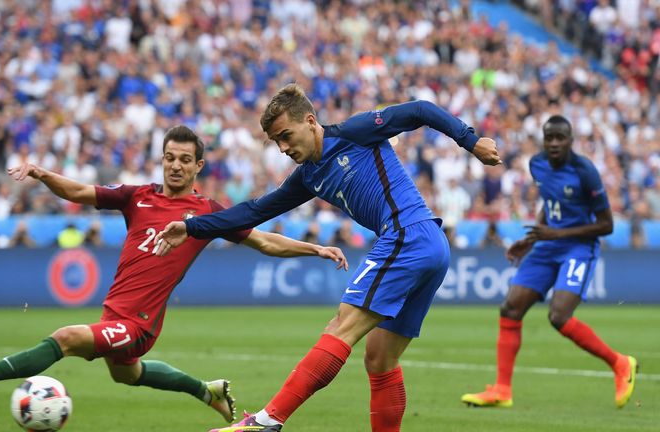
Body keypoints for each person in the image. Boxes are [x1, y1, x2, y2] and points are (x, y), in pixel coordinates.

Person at [0, 125, 348, 426]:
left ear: (198, 165)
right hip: (113, 313)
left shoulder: (207, 212)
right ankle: (207, 391)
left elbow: (263, 242)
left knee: (66, 338)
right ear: (162, 159)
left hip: (139, 323)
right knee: (128, 374)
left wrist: (315, 248)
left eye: (185, 159)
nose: (176, 165)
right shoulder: (137, 197)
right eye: (170, 157)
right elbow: (81, 192)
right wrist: (43, 174)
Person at [156, 84, 501, 431]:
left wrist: (469, 140)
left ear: (310, 121)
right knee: (379, 358)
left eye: (287, 136)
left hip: (407, 235)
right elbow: (253, 212)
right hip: (429, 245)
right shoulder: (308, 176)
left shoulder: (355, 132)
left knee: (340, 326)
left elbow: (421, 109)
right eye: (277, 142)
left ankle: (266, 421)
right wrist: (193, 227)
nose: (284, 148)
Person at [460, 115, 637, 409]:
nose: (554, 143)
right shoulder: (537, 164)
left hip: (579, 247)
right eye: (549, 137)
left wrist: (557, 233)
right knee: (511, 307)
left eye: (560, 138)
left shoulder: (585, 172)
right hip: (548, 244)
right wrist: (530, 240)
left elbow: (606, 225)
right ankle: (502, 390)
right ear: (543, 139)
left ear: (570, 141)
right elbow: (550, 203)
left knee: (558, 316)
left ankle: (620, 363)